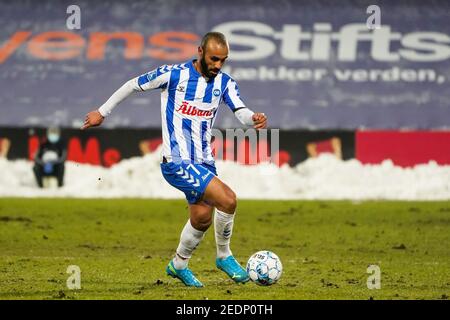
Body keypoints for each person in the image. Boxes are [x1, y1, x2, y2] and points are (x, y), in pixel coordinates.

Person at [81, 32, 268, 287]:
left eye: (223, 60)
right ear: (200, 51)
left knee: (201, 218)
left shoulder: (224, 83)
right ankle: (224, 256)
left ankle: (178, 265)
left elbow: (241, 112)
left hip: (204, 162)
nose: (218, 65)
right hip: (176, 162)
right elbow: (133, 84)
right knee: (228, 199)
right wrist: (102, 112)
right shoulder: (173, 74)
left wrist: (253, 119)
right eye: (214, 59)